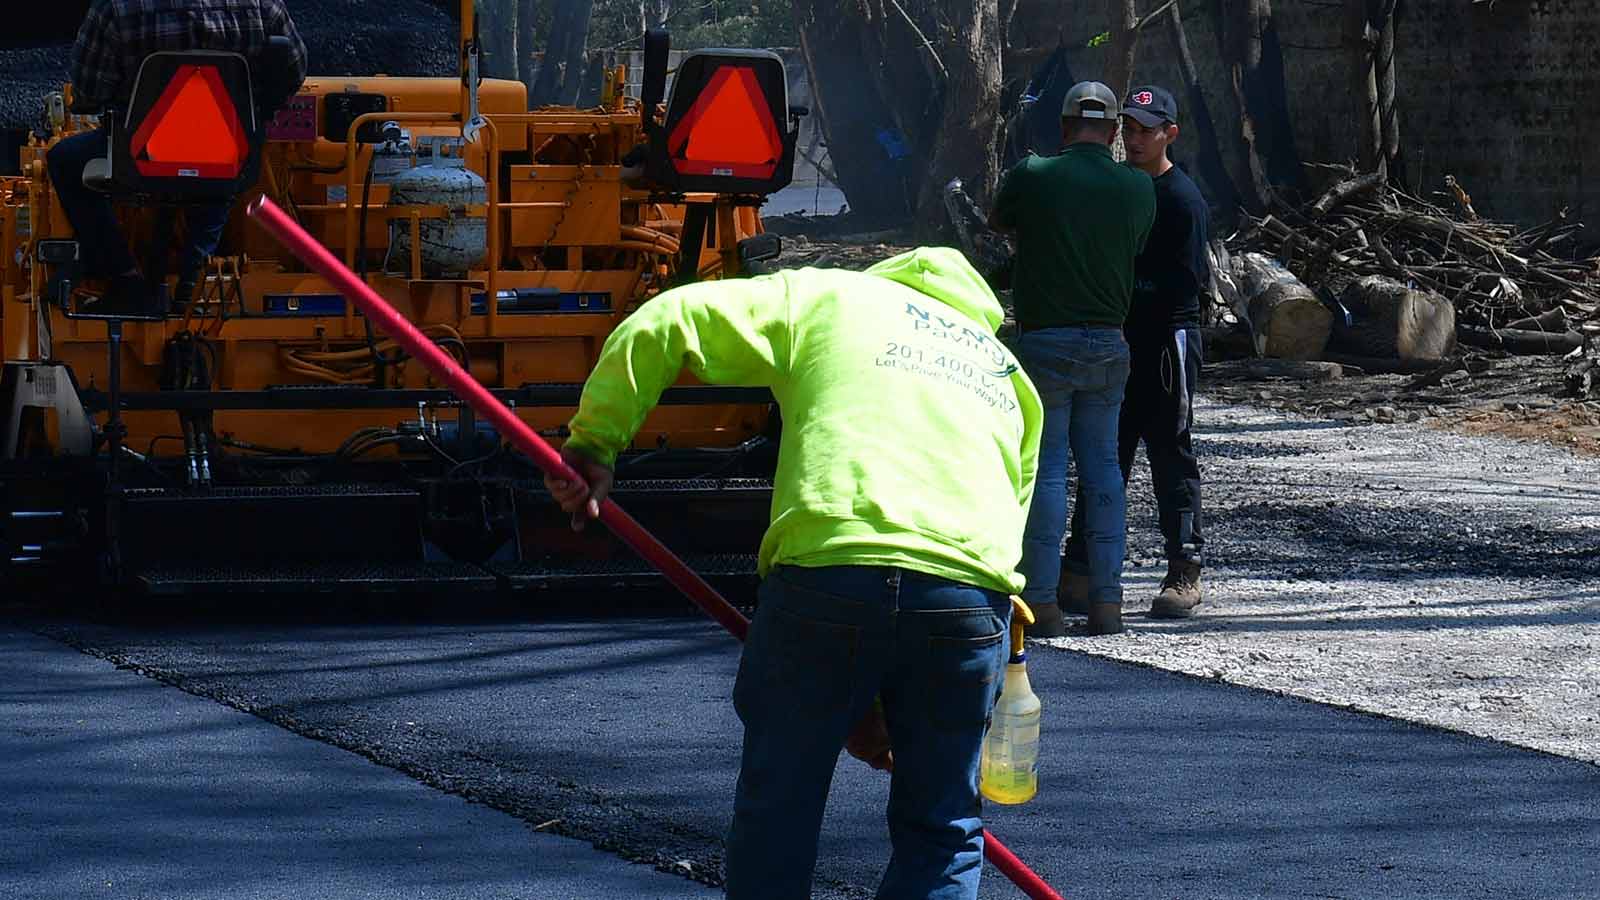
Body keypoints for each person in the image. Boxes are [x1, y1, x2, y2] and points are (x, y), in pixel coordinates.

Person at [544, 247, 1043, 900]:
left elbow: (665, 318)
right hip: (965, 599)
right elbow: (1006, 543)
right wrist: (909, 688)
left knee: (779, 811)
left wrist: (593, 442)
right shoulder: (1009, 375)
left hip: (828, 573)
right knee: (943, 830)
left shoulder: (832, 299)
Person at [988, 81, 1156, 637]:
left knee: (1049, 470)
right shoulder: (1136, 187)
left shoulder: (1033, 175)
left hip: (1045, 346)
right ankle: (1108, 604)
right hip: (1109, 344)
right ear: (1113, 132)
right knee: (1105, 469)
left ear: (1063, 127)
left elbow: (998, 222)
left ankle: (1044, 605)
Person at [48, 0, 307, 315]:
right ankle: (194, 282)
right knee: (217, 179)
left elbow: (89, 92)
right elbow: (293, 72)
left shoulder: (115, 8)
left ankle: (124, 277)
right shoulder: (261, 6)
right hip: (226, 157)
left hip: (141, 158)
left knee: (65, 159)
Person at [1061, 85, 1210, 620]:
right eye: (1130, 127)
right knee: (1104, 454)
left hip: (1166, 343)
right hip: (1114, 342)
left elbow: (1186, 283)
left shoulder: (1181, 198)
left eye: (1148, 129)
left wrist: (1128, 297)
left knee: (1171, 453)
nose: (1136, 137)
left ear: (1170, 133)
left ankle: (1184, 570)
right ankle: (1081, 570)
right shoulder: (1119, 189)